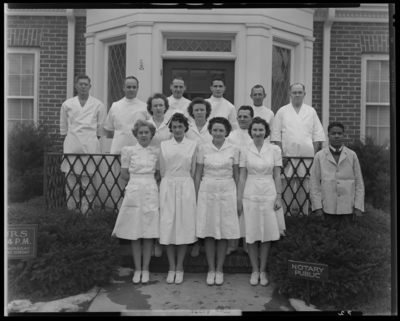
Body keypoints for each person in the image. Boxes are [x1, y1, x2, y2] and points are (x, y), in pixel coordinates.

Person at [111, 120, 161, 284]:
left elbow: (158, 173)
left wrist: (148, 182)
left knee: (148, 231)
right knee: (135, 230)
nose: (144, 135)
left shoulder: (156, 151)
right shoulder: (129, 151)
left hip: (151, 190)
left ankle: (146, 269)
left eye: (147, 132)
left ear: (151, 134)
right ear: (136, 135)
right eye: (141, 133)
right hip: (134, 190)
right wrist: (138, 181)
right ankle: (137, 269)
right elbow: (124, 173)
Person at [237, 117, 285, 286]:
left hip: (268, 192)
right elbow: (242, 176)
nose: (258, 133)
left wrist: (279, 196)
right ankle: (254, 269)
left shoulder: (274, 150)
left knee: (266, 233)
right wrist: (239, 198)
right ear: (251, 132)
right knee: (251, 233)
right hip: (250, 192)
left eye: (261, 130)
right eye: (255, 130)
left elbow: (277, 174)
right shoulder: (244, 150)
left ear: (266, 132)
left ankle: (263, 270)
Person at [194, 117, 240, 286]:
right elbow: (198, 174)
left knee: (224, 230)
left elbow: (236, 174)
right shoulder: (203, 148)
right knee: (209, 230)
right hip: (208, 190)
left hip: (227, 190)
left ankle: (219, 269)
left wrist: (237, 196)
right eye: (215, 130)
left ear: (226, 131)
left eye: (221, 130)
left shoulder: (234, 149)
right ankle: (211, 269)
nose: (218, 133)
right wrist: (197, 195)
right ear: (210, 131)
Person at [270, 83, 326, 215]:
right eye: (294, 92)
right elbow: (276, 135)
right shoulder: (282, 111)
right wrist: (280, 156)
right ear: (290, 94)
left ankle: (303, 216)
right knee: (285, 188)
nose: (297, 95)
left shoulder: (311, 111)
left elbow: (317, 135)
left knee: (305, 189)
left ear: (304, 94)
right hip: (286, 157)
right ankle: (285, 217)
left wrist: (313, 157)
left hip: (306, 157)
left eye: (299, 92)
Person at [159, 113, 198, 285]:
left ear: (185, 128)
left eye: (180, 127)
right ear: (170, 128)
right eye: (174, 127)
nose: (177, 130)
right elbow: (161, 169)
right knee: (168, 224)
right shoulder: (164, 145)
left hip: (186, 186)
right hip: (168, 185)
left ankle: (180, 267)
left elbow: (195, 170)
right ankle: (171, 267)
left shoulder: (193, 145)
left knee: (183, 225)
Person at [60, 74, 107, 214]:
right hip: (71, 146)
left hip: (89, 147)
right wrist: (72, 140)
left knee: (88, 182)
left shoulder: (98, 104)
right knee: (71, 182)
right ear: (75, 86)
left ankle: (87, 213)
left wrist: (89, 140)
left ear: (90, 86)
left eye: (86, 84)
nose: (83, 86)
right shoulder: (67, 104)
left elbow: (100, 128)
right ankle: (71, 212)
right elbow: (63, 128)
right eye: (80, 84)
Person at [104, 76, 148, 209]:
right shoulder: (115, 106)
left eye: (134, 87)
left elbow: (149, 130)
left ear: (138, 88)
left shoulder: (144, 107)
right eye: (128, 86)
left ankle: (136, 210)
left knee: (136, 183)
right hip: (118, 151)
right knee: (118, 182)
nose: (131, 89)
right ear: (123, 88)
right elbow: (109, 129)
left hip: (138, 151)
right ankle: (118, 211)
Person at [310, 122, 365, 227]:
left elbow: (359, 183)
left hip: (348, 207)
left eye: (339, 133)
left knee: (347, 238)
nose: (336, 136)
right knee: (328, 239)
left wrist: (358, 206)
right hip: (327, 207)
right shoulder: (319, 156)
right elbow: (314, 183)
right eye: (333, 133)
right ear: (328, 135)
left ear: (343, 135)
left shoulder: (352, 155)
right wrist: (317, 207)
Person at [185, 97, 213, 258]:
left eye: (202, 109)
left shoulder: (212, 127)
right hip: (191, 171)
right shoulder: (187, 128)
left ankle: (207, 239)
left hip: (209, 170)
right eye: (196, 110)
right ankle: (195, 242)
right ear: (192, 112)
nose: (199, 112)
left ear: (207, 111)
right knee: (194, 205)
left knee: (207, 207)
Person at [225, 105, 255, 255]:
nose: (242, 119)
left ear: (252, 118)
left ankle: (248, 244)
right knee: (235, 208)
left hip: (251, 176)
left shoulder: (254, 134)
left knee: (248, 209)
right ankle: (232, 244)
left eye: (246, 116)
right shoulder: (230, 136)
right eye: (240, 116)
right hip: (235, 175)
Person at [147, 93, 172, 257]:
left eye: (160, 105)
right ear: (150, 107)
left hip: (165, 169)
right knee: (152, 206)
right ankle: (154, 240)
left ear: (165, 107)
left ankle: (164, 239)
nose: (158, 108)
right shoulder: (146, 123)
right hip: (148, 168)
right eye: (155, 105)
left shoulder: (170, 125)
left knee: (165, 206)